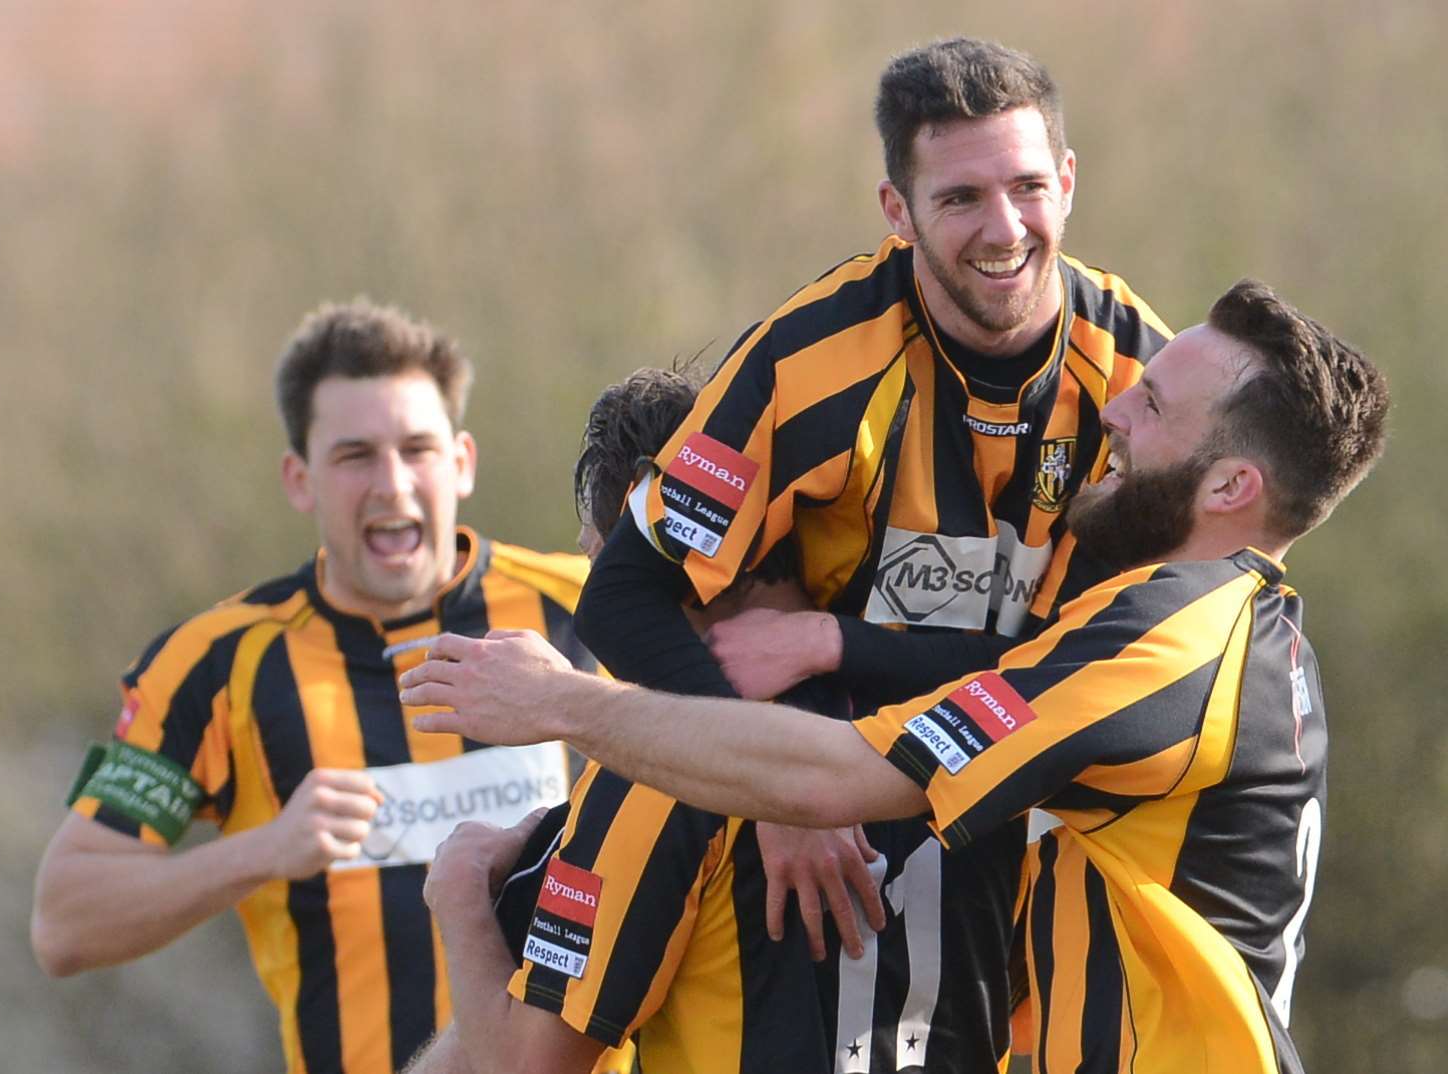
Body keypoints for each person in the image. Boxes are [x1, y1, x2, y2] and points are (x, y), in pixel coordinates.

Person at [401, 278, 1390, 1074]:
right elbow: (999, 670)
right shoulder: (1228, 634)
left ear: (1230, 485)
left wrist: (553, 714)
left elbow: (519, 1064)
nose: (1114, 407)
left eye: (1154, 401)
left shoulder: (1167, 640)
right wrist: (834, 646)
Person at [572, 34, 1172, 1069]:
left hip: (1045, 794)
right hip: (831, 841)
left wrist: (830, 645)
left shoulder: (1140, 374)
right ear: (897, 212)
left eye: (1028, 187)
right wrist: (773, 785)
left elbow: (1129, 665)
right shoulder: (809, 356)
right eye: (959, 199)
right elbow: (623, 596)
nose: (1005, 229)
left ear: (1068, 182)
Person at [31, 300, 600, 1074]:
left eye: (418, 449)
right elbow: (64, 922)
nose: (393, 484)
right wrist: (263, 851)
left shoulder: (591, 605)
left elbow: (730, 754)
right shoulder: (214, 665)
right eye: (355, 455)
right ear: (299, 479)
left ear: (462, 462)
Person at [406, 365, 866, 1074]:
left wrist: (460, 889)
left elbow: (527, 1067)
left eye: (604, 564)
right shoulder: (935, 722)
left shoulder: (654, 776)